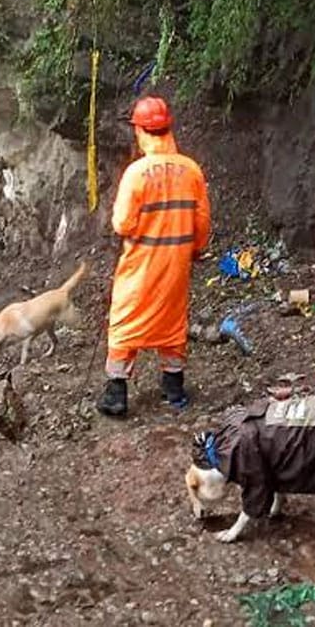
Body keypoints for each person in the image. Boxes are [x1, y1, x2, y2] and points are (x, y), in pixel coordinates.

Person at [98, 96, 211, 417]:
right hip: (176, 263)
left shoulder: (136, 173)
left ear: (140, 131)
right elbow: (202, 221)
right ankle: (173, 389)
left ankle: (116, 393)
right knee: (173, 320)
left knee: (125, 319)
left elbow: (122, 223)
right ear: (167, 128)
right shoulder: (191, 169)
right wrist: (196, 248)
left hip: (141, 264)